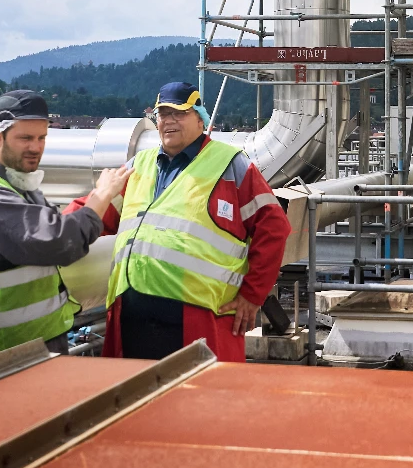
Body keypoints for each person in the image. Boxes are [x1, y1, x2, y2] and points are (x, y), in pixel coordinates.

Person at [84, 81, 290, 362]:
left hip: (196, 321)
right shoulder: (138, 165)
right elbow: (98, 210)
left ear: (199, 118)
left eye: (178, 113)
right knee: (139, 401)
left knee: (196, 401)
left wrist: (253, 295)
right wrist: (53, 226)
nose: (168, 120)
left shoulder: (231, 165)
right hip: (132, 319)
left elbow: (274, 227)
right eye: (162, 114)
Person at [0, 90, 130, 352]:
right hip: (7, 352)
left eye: (42, 138)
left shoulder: (20, 187)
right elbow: (60, 241)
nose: (36, 147)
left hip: (32, 343)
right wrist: (102, 195)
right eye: (25, 138)